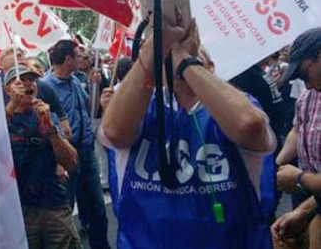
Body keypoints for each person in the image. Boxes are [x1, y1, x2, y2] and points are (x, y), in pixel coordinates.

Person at [100, 21, 276, 248]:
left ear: (210, 68)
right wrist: (153, 48)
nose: (177, 66)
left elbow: (248, 125)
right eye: (169, 59)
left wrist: (183, 58)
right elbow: (114, 132)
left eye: (195, 60)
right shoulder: (142, 110)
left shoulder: (238, 109)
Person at [1, 65, 81, 248]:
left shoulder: (47, 115)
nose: (29, 84)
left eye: (32, 80)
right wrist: (12, 104)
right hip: (19, 209)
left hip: (53, 204)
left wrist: (51, 129)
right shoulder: (1, 117)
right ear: (8, 89)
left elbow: (72, 162)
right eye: (21, 81)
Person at [44, 40, 109, 249]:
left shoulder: (77, 80)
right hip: (65, 155)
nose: (83, 58)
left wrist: (95, 86)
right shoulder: (46, 87)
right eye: (78, 55)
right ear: (68, 59)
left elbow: (91, 107)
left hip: (86, 152)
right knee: (66, 208)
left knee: (98, 206)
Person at [272, 27, 321, 248]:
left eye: (303, 73)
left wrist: (299, 178)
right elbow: (297, 130)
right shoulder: (308, 96)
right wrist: (277, 163)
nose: (307, 83)